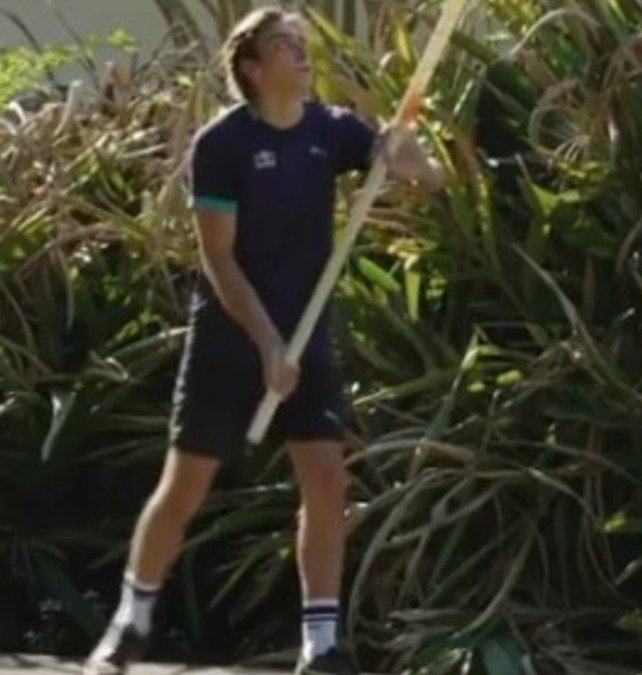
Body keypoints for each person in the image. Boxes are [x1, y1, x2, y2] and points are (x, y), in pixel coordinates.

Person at [82, 7, 444, 675]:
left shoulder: (330, 132)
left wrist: (409, 158)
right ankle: (130, 621)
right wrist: (269, 346)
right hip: (229, 336)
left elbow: (410, 166)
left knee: (327, 477)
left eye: (304, 44)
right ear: (252, 67)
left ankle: (322, 643)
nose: (303, 55)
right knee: (186, 484)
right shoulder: (221, 147)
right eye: (287, 46)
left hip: (307, 339)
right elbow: (220, 262)